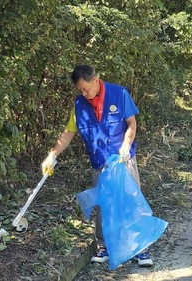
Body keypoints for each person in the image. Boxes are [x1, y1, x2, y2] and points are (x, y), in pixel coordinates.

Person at [40, 64, 153, 266]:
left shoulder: (119, 94)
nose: (85, 93)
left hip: (122, 159)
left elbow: (131, 123)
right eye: (80, 90)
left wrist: (126, 145)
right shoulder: (79, 104)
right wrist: (52, 155)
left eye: (86, 88)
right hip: (99, 162)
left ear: (95, 80)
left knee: (130, 200)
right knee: (103, 203)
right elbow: (68, 133)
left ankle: (140, 248)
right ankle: (104, 246)